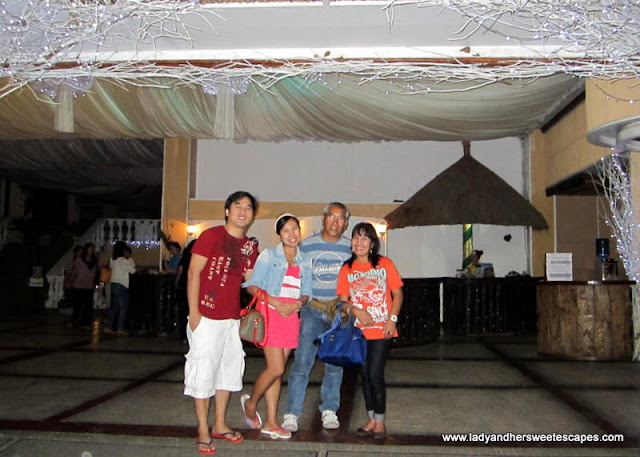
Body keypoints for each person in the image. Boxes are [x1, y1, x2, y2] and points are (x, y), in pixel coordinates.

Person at [184, 191, 259, 455]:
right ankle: (203, 430)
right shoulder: (212, 236)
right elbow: (194, 272)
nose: (243, 210)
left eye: (248, 207)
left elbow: (251, 282)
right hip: (206, 315)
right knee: (203, 371)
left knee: (228, 371)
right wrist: (194, 312)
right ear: (227, 210)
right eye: (237, 205)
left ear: (252, 215)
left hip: (231, 319)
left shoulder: (250, 246)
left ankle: (219, 424)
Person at [282, 202, 352, 432]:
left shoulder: (350, 247)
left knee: (334, 364)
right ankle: (292, 413)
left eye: (340, 218)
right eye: (331, 216)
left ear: (346, 223)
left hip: (338, 314)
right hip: (312, 310)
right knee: (302, 362)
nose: (335, 222)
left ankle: (330, 409)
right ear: (323, 218)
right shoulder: (307, 246)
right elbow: (292, 273)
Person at [241, 214, 312, 440]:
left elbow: (307, 293)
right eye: (286, 230)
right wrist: (276, 302)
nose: (292, 234)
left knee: (277, 374)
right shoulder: (269, 255)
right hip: (270, 314)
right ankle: (251, 404)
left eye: (295, 229)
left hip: (291, 317)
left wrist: (296, 305)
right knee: (277, 368)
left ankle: (271, 422)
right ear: (279, 234)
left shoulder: (306, 259)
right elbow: (252, 286)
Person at [336, 222, 403, 440]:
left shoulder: (384, 264)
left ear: (372, 243)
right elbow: (341, 302)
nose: (359, 242)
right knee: (364, 375)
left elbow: (398, 294)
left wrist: (392, 320)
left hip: (382, 330)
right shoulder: (347, 269)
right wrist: (354, 309)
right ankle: (372, 418)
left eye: (365, 238)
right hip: (358, 333)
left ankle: (380, 420)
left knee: (375, 373)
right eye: (356, 237)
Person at [104, 242, 136, 335]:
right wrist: (129, 259)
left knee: (115, 307)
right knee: (123, 308)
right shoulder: (124, 260)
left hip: (114, 284)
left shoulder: (112, 259)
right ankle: (120, 328)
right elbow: (133, 271)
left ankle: (108, 326)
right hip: (122, 285)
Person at [68, 242, 98, 328]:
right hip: (78, 285)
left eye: (93, 248)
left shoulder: (94, 260)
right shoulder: (79, 260)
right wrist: (70, 282)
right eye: (90, 248)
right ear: (86, 249)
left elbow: (96, 272)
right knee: (77, 305)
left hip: (89, 286)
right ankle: (74, 320)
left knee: (88, 306)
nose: (92, 250)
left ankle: (86, 322)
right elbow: (74, 272)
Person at [175, 239, 196, 344]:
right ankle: (193, 334)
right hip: (194, 286)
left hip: (183, 285)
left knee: (182, 312)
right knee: (193, 311)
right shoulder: (198, 257)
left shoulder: (185, 256)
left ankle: (183, 334)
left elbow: (180, 270)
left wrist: (176, 282)